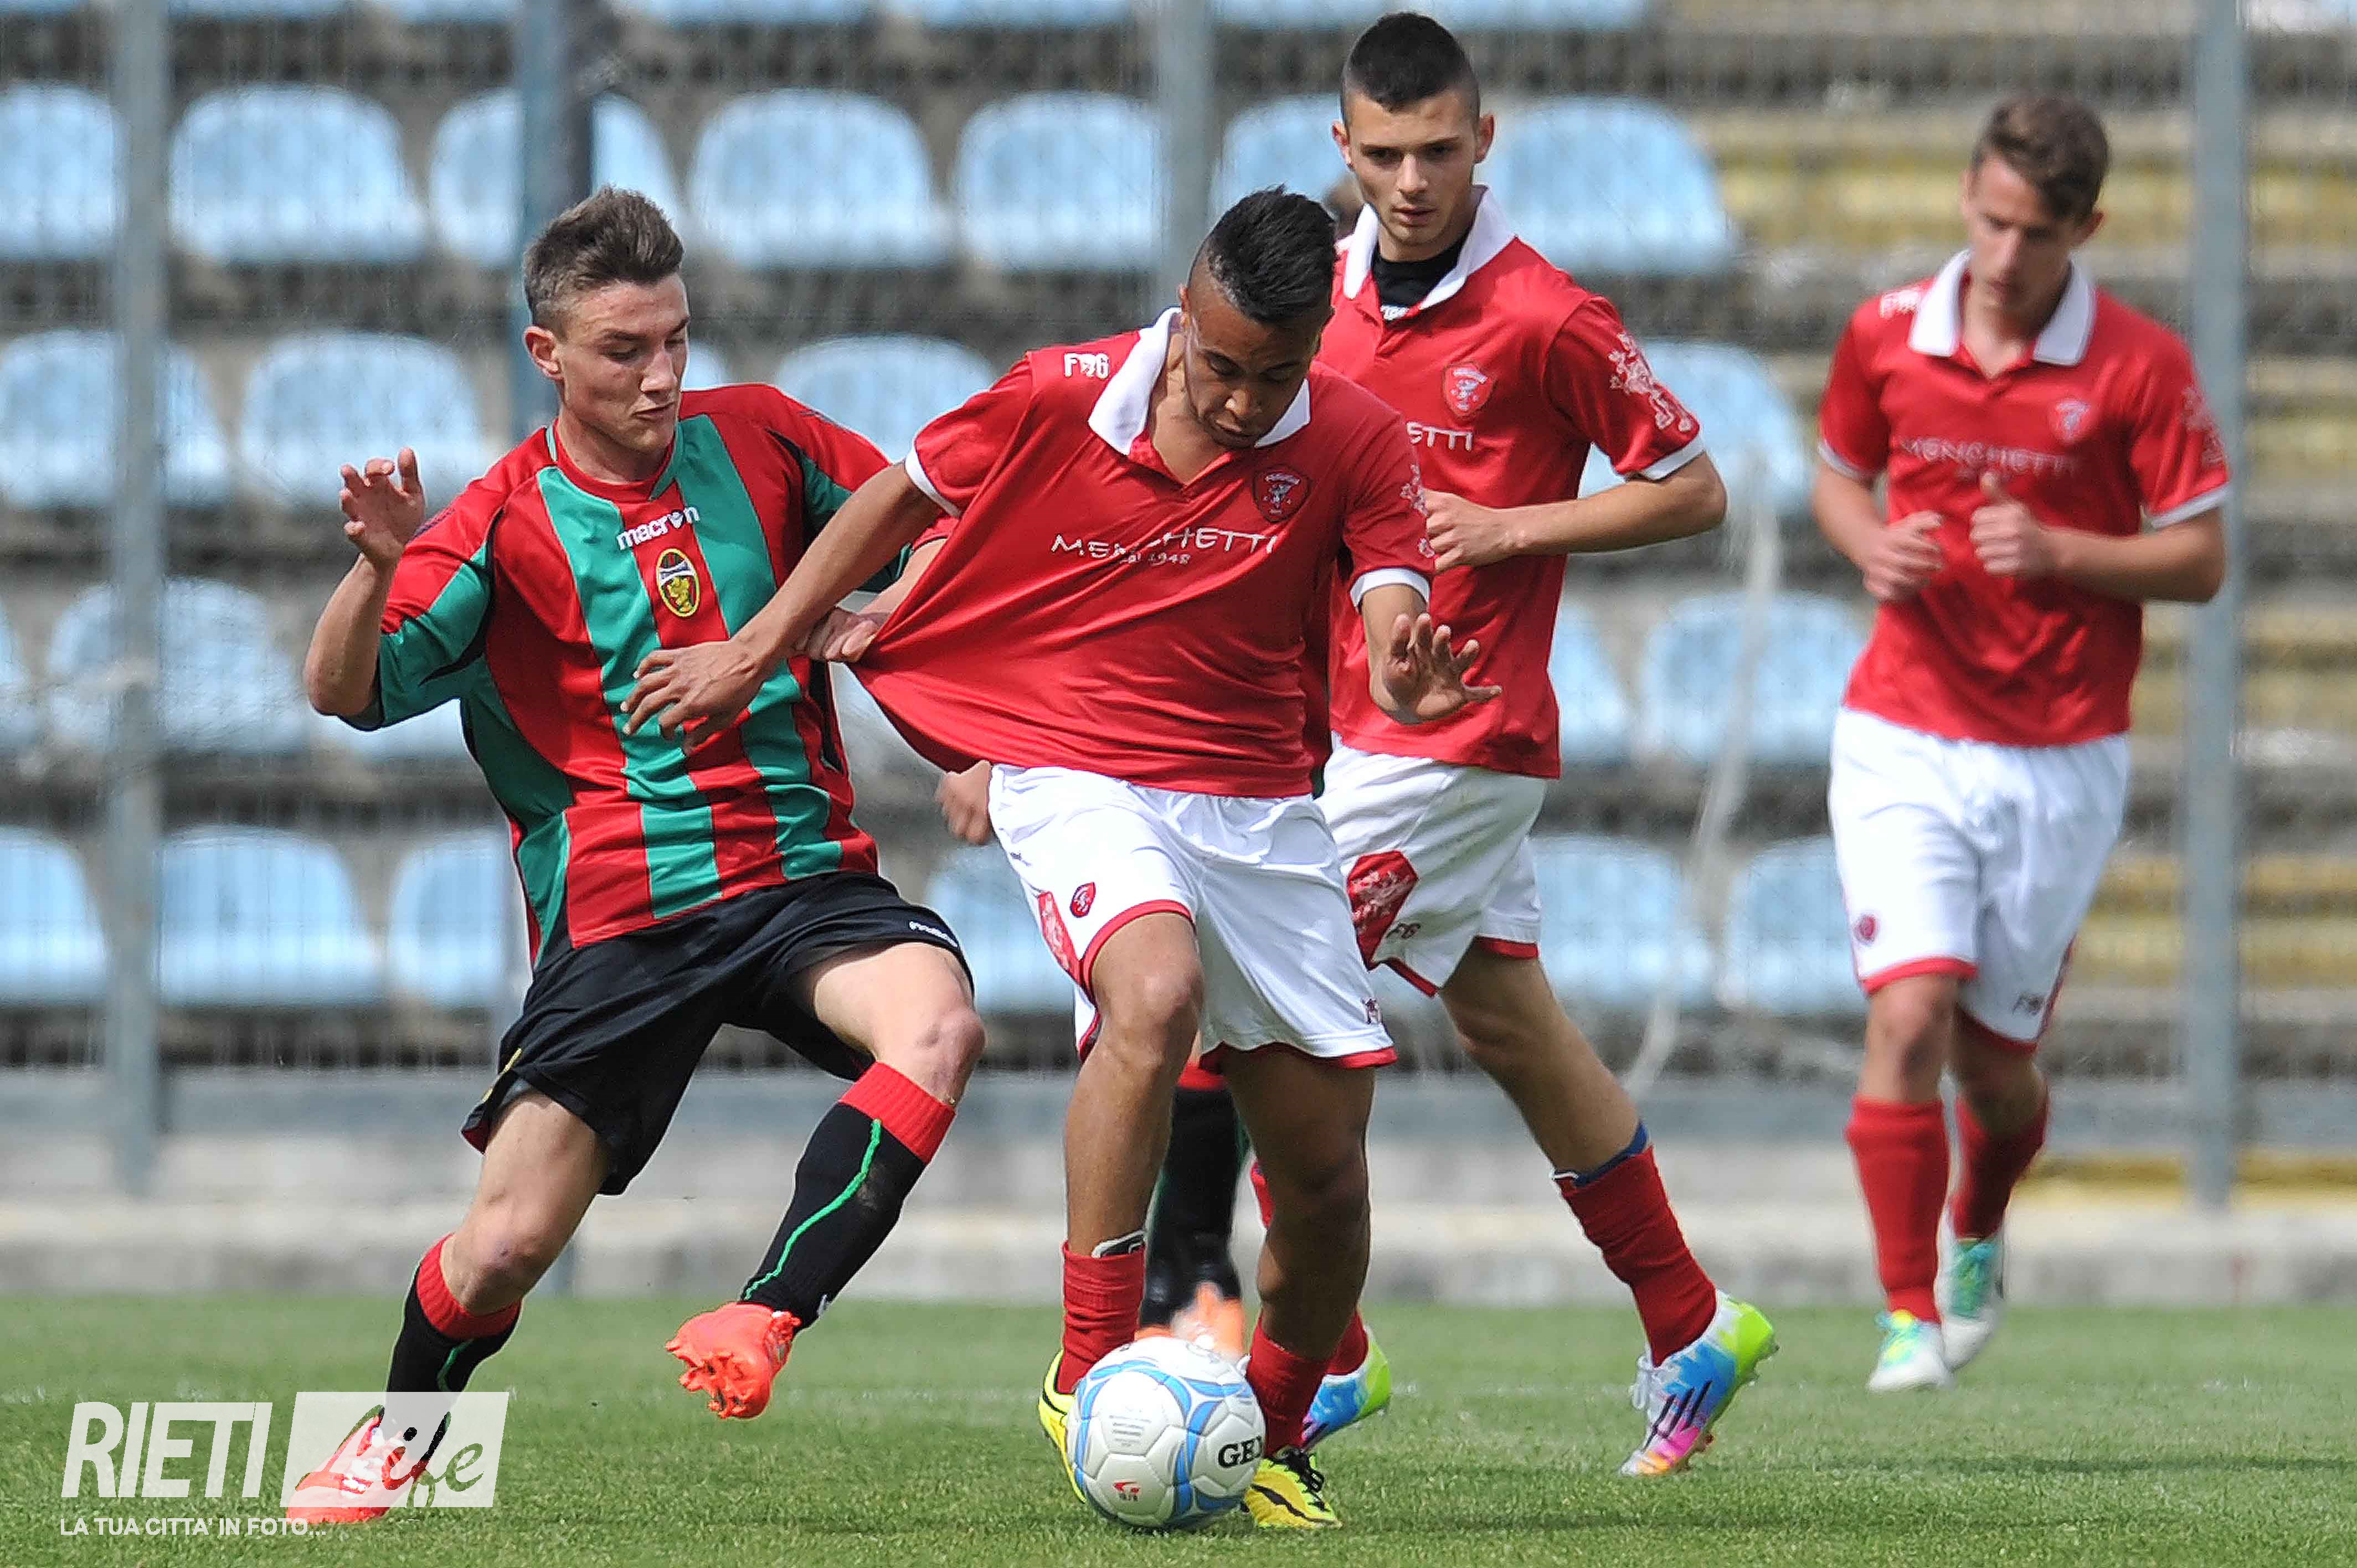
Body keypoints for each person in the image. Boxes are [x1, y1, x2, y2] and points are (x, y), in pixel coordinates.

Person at [622, 189, 1494, 1529]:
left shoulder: (1359, 441)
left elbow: (1391, 612)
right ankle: (1088, 1366)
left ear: (1316, 347)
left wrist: (1406, 677)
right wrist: (757, 649)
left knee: (1326, 1187)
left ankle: (1267, 1436)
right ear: (1182, 315)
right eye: (1220, 366)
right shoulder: (1058, 391)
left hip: (1259, 811)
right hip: (1074, 767)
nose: (1243, 400)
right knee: (1153, 993)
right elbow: (893, 499)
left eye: (1275, 375)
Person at [286, 189, 987, 1523]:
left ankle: (766, 1314)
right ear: (547, 355)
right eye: (624, 350)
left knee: (941, 1027)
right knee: (504, 1247)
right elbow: (344, 692)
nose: (662, 375)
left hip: (801, 880)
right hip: (622, 918)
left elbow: (942, 522)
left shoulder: (766, 438)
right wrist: (374, 570)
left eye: (676, 340)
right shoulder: (499, 525)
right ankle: (395, 1440)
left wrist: (891, 625)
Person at [1210, 12, 1768, 1478]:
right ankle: (1690, 1322)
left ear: (1485, 143)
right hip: (1344, 731)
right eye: (1385, 154)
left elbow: (1692, 487)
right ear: (1343, 148)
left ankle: (1313, 1370)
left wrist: (1514, 526)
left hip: (1459, 739)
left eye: (1439, 153)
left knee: (1260, 1011)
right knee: (1513, 1025)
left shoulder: (1546, 317)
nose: (1412, 182)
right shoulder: (1314, 302)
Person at [1815, 95, 2227, 1391]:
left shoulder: (2139, 367)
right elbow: (1838, 474)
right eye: (1988, 219)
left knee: (1995, 1068)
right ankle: (1905, 1314)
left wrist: (2060, 552)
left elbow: (2201, 559)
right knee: (1908, 1017)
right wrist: (1868, 544)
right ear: (1965, 194)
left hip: (2059, 753)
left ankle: (1978, 1224)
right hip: (1902, 727)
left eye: (2033, 233)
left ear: (2082, 229)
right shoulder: (1885, 333)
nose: (2001, 254)